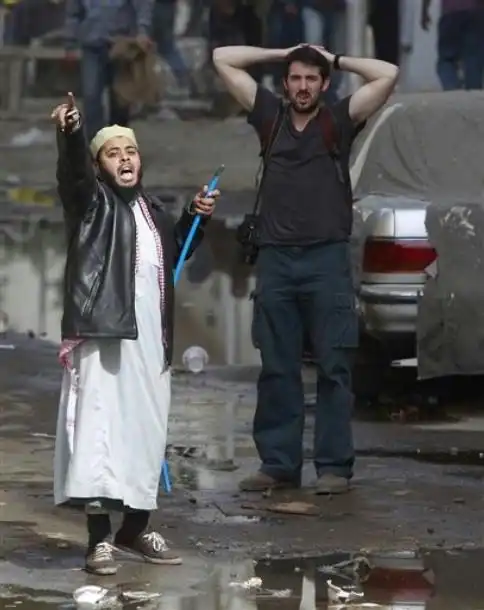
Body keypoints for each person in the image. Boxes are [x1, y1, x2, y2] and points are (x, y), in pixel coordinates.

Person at [213, 44, 398, 494]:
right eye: (295, 78)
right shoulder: (269, 117)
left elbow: (387, 73)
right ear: (285, 83)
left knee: (334, 367)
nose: (302, 86)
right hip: (276, 259)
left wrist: (333, 58)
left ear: (324, 85)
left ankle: (333, 468)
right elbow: (222, 57)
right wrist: (283, 51)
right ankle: (278, 464)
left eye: (311, 79)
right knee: (278, 366)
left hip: (326, 260)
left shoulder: (338, 120)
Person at [51, 92, 219, 575]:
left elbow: (173, 254)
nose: (125, 160)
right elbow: (72, 174)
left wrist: (195, 218)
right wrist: (72, 132)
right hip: (104, 336)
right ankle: (99, 540)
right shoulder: (91, 204)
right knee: (100, 434)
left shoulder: (153, 211)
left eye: (131, 152)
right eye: (113, 154)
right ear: (99, 166)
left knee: (145, 432)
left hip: (150, 342)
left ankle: (136, 528)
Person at [64, 0, 154, 141]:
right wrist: (70, 42)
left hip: (121, 45)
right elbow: (73, 12)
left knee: (120, 99)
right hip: (91, 45)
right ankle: (96, 142)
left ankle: (117, 141)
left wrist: (143, 30)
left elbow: (143, 5)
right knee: (91, 95)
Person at [421, 0, 484, 90]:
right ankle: (473, 91)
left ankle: (452, 89)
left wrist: (424, 11)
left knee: (447, 59)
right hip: (475, 12)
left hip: (450, 13)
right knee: (473, 58)